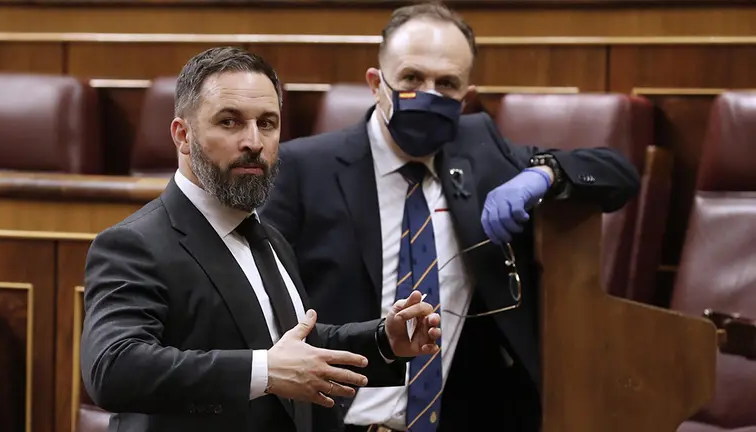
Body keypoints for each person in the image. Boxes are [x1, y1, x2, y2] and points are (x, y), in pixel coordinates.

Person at [259, 3, 641, 432]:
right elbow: (257, 307)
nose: (428, 94)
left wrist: (543, 173)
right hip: (333, 420)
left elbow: (618, 174)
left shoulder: (481, 152)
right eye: (411, 79)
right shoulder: (303, 169)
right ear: (376, 83)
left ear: (465, 96)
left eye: (446, 84)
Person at [79, 46, 443, 432]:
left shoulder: (268, 238)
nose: (254, 141)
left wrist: (382, 340)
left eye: (267, 123)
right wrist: (264, 371)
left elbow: (285, 345)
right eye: (230, 122)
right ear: (183, 135)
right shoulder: (133, 244)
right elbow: (114, 367)